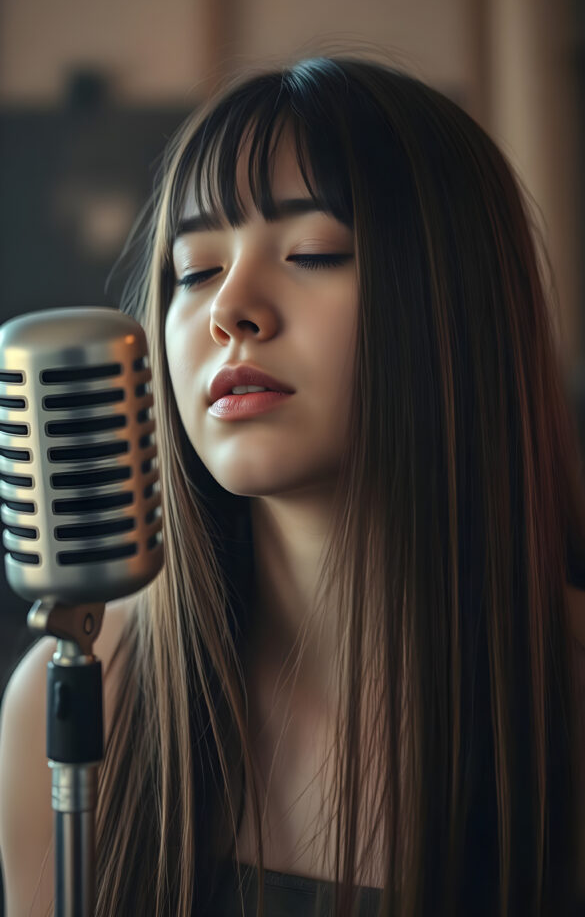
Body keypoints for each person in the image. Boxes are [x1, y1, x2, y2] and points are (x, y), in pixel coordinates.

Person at [2, 53, 585, 917]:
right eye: (194, 272)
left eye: (313, 252)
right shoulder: (90, 694)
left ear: (455, 304)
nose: (229, 308)